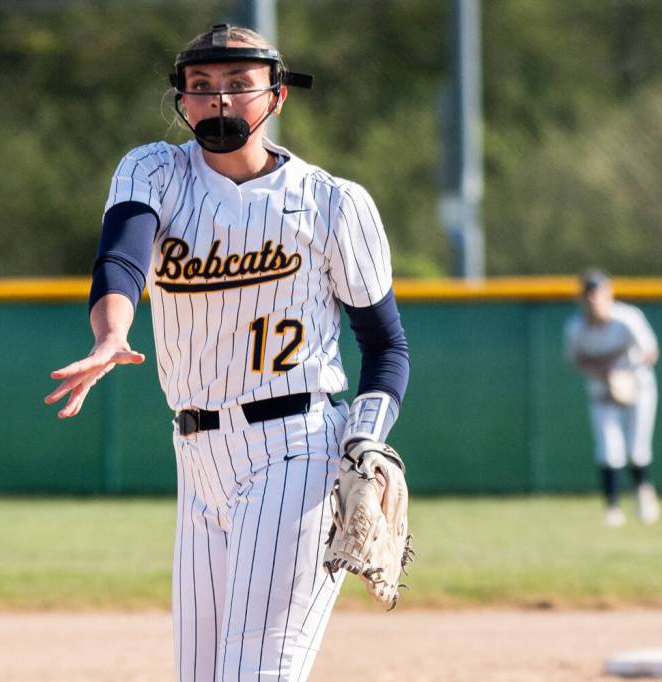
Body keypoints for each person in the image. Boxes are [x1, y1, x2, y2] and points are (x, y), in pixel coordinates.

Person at [45, 24, 410, 681]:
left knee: (257, 673)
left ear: (275, 98)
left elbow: (385, 345)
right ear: (181, 100)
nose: (218, 101)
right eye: (201, 87)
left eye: (238, 86)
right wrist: (111, 333)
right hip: (198, 458)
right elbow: (122, 258)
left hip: (296, 447)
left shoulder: (331, 204)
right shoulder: (154, 170)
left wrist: (367, 441)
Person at [564, 269, 660, 527]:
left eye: (597, 293)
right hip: (603, 390)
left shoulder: (628, 318)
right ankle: (612, 507)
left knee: (637, 449)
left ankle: (643, 492)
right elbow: (577, 360)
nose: (593, 299)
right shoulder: (576, 327)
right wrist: (603, 375)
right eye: (588, 294)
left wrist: (626, 373)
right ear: (582, 298)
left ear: (609, 294)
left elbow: (651, 351)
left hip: (638, 388)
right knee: (608, 449)